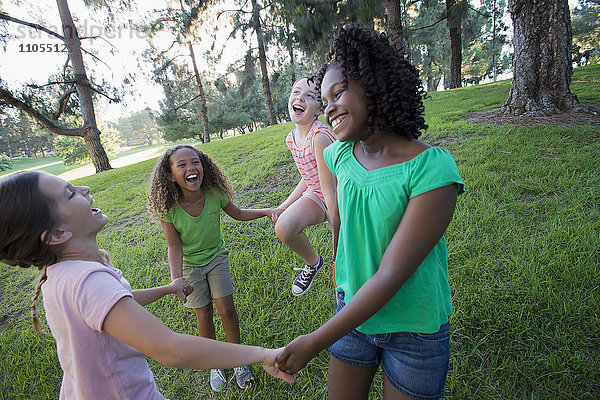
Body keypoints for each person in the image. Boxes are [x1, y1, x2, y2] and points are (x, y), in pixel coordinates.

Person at [276, 24, 465, 400]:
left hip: (415, 330)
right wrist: (339, 273)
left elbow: (393, 272)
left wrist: (316, 340)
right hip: (351, 312)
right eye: (323, 99)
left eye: (338, 92)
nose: (328, 106)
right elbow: (339, 219)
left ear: (374, 86)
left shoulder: (432, 169)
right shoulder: (337, 155)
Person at [0, 171, 293, 400]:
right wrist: (263, 355)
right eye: (70, 193)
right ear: (56, 233)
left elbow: (116, 304)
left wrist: (168, 287)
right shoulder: (87, 281)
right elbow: (172, 350)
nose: (85, 190)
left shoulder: (61, 274)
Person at [147, 145, 280, 392]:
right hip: (190, 266)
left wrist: (266, 211)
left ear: (203, 166)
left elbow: (238, 213)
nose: (191, 168)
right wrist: (176, 279)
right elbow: (174, 246)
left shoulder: (214, 193)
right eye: (182, 165)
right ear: (170, 175)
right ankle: (214, 364)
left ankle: (240, 360)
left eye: (195, 162)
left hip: (216, 258)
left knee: (227, 310)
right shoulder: (170, 209)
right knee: (204, 314)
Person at [274, 76, 337, 296]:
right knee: (284, 227)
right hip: (318, 193)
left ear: (319, 108)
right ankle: (313, 262)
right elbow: (309, 176)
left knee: (347, 251)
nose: (300, 97)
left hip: (340, 196)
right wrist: (284, 205)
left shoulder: (319, 136)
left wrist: (337, 244)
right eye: (296, 92)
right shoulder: (291, 138)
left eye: (310, 96)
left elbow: (331, 189)